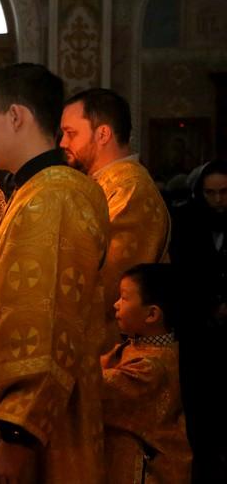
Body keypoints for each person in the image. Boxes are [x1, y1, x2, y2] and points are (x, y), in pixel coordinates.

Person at [0, 63, 109, 483]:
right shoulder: (37, 190)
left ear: (15, 116)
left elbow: (47, 322)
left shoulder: (53, 198)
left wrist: (18, 436)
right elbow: (15, 307)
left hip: (31, 432)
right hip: (13, 410)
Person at [60, 88, 170, 350]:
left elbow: (109, 281)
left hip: (113, 348)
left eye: (71, 133)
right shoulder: (101, 184)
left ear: (103, 134)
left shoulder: (131, 190)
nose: (63, 143)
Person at [101, 263, 191, 484]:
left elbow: (97, 388)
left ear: (151, 314)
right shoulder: (139, 346)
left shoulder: (151, 368)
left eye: (124, 298)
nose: (115, 304)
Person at [169, 159, 227, 482]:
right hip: (197, 336)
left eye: (224, 193)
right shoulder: (187, 224)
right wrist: (208, 307)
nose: (218, 200)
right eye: (211, 193)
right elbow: (183, 276)